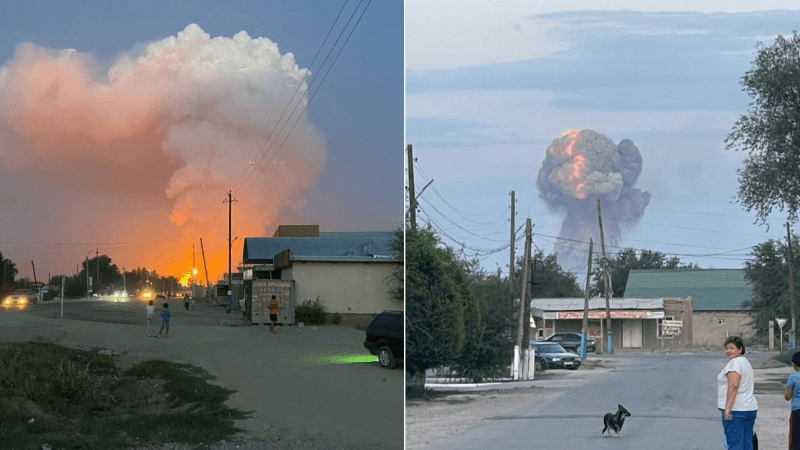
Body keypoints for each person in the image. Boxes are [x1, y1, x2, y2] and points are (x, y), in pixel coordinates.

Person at [718, 335, 758, 450]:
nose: (728, 351)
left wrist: (727, 408)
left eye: (732, 348)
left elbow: (734, 385)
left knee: (735, 445)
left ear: (740, 349)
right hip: (749, 409)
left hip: (736, 411)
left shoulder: (735, 363)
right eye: (727, 348)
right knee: (747, 445)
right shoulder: (745, 362)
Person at [785, 351, 800, 449]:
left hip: (796, 411)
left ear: (794, 365)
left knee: (795, 437)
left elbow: (787, 396)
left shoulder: (792, 378)